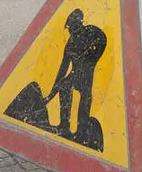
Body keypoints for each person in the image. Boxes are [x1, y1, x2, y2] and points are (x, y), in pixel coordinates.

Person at [46, 8, 107, 145]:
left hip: (86, 74)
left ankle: (82, 131)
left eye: (72, 27)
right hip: (75, 73)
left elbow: (103, 39)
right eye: (69, 28)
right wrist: (51, 94)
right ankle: (64, 126)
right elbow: (63, 69)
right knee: (64, 86)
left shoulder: (91, 31)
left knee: (85, 96)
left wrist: (94, 58)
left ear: (79, 24)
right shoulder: (71, 42)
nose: (70, 31)